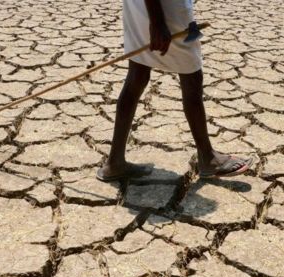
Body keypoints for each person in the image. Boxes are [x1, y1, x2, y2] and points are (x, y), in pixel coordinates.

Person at [96, 0, 253, 182]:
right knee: (192, 76)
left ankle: (115, 162)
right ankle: (208, 158)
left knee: (137, 75)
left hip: (139, 7)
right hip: (165, 10)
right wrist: (157, 22)